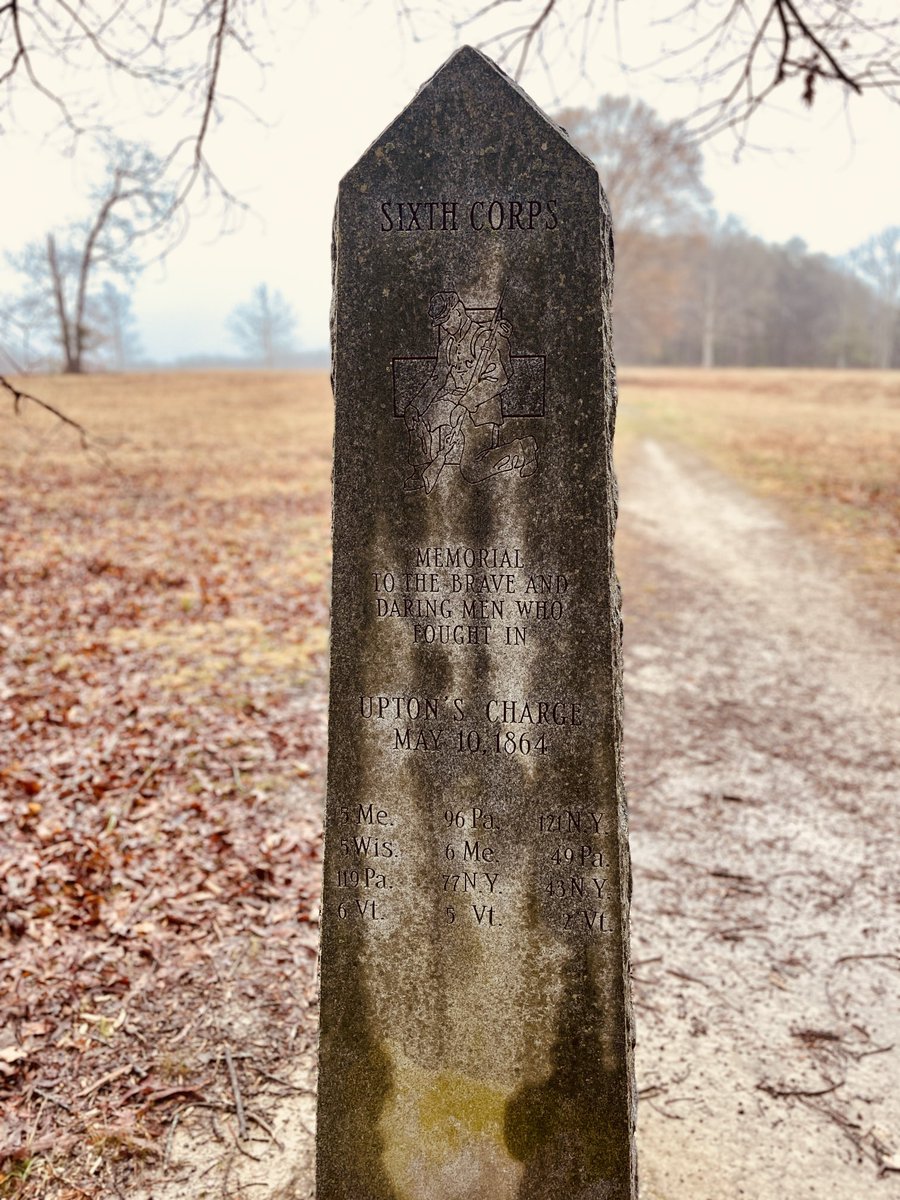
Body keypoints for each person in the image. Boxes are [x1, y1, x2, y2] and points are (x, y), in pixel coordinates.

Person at [403, 290, 538, 494]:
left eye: (447, 320)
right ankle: (420, 473)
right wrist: (415, 406)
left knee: (472, 470)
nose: (446, 327)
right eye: (442, 324)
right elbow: (436, 380)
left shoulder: (482, 339)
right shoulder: (447, 346)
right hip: (451, 404)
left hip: (480, 409)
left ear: (459, 311)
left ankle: (523, 449)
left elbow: (498, 379)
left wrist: (465, 404)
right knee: (419, 421)